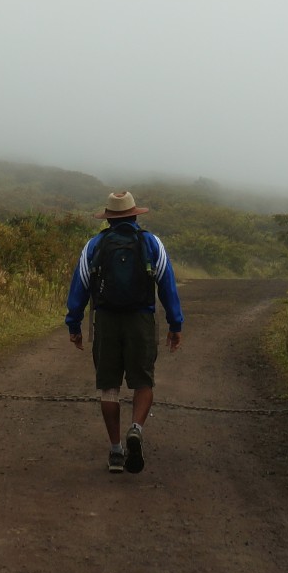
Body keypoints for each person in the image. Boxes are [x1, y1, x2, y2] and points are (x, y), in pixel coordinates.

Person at [65, 191, 183, 474]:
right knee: (143, 381)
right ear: (134, 215)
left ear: (108, 218)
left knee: (109, 386)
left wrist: (74, 324)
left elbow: (80, 285)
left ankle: (116, 450)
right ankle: (136, 428)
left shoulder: (94, 245)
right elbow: (167, 285)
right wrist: (175, 324)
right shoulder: (152, 243)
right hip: (141, 319)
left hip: (105, 320)